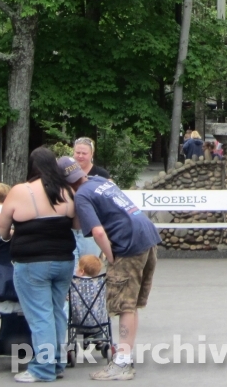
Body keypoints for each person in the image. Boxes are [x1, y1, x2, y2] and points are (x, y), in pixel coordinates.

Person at [64, 156, 160, 381]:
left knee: (124, 305)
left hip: (127, 244)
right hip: (147, 235)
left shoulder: (82, 195)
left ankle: (122, 363)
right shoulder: (98, 181)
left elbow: (98, 232)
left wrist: (110, 257)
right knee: (132, 304)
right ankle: (125, 357)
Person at [0, 148, 76, 383]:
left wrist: (8, 236)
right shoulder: (67, 191)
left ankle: (42, 368)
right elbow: (77, 225)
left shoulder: (20, 191)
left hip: (32, 263)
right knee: (57, 311)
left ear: (31, 166)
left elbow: (3, 227)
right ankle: (57, 363)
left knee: (40, 315)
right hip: (64, 260)